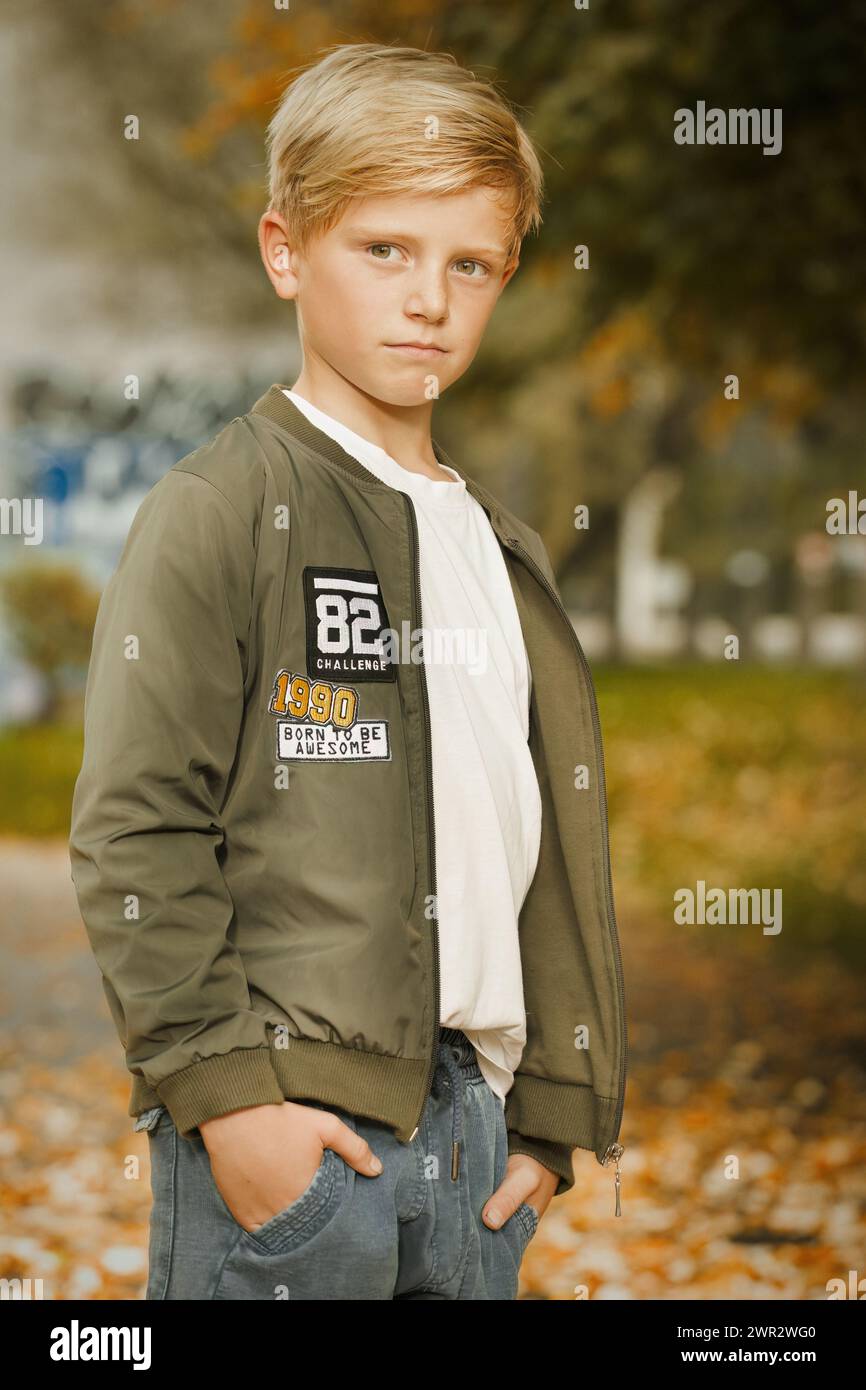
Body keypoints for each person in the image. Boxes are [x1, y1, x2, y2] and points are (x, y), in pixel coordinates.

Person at [69, 41, 626, 1301]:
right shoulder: (220, 509)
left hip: (474, 1143)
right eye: (384, 250)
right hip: (296, 1130)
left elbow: (519, 839)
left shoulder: (499, 550)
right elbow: (136, 827)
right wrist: (229, 1106)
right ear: (285, 251)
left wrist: (541, 1119)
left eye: (468, 264)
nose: (427, 299)